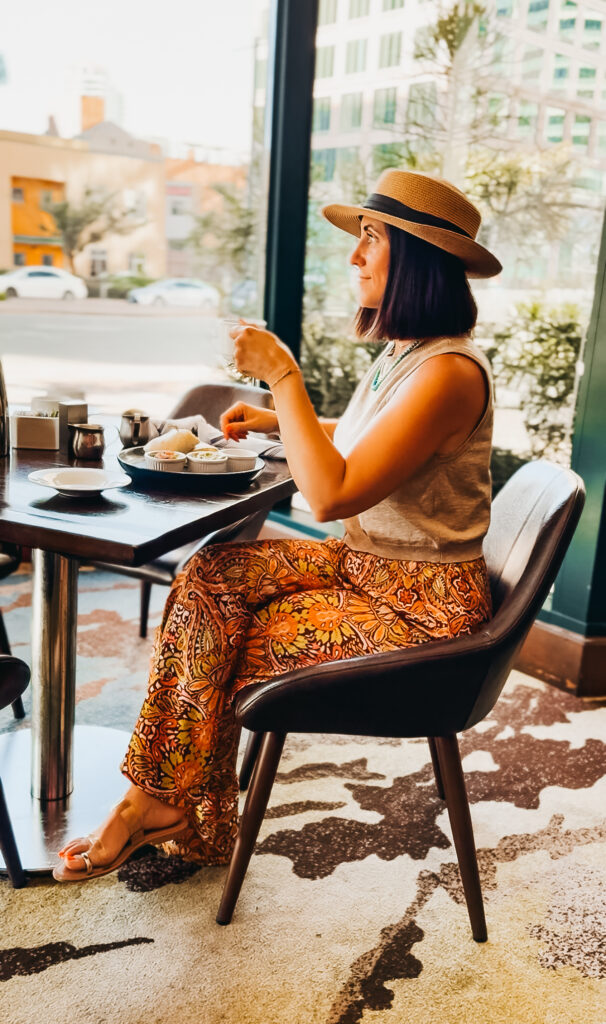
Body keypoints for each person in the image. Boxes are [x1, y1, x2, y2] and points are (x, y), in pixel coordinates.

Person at [54, 169, 502, 881]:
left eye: (372, 239)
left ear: (416, 258)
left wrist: (285, 378)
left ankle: (156, 807)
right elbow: (365, 444)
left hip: (419, 608)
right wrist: (283, 419)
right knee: (211, 574)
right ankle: (169, 806)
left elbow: (332, 495)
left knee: (228, 634)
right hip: (368, 568)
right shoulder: (407, 356)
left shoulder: (450, 373)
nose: (354, 256)